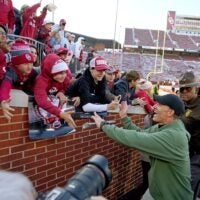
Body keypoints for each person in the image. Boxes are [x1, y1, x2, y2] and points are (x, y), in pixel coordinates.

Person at [92, 94, 193, 200]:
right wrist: (124, 117)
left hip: (172, 196)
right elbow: (139, 133)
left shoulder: (174, 136)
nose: (154, 106)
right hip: (156, 191)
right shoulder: (162, 127)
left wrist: (104, 126)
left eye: (159, 104)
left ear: (170, 112)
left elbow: (135, 138)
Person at [33, 53, 77, 128]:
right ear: (50, 71)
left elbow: (66, 88)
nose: (63, 76)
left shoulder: (65, 78)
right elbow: (41, 100)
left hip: (56, 107)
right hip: (44, 109)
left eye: (64, 72)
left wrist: (61, 92)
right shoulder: (41, 80)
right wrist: (61, 114)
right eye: (59, 73)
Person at [0, 38, 36, 120]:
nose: (29, 67)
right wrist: (4, 100)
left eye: (31, 63)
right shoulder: (11, 71)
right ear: (16, 64)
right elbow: (6, 85)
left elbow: (40, 81)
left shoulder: (32, 72)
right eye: (26, 63)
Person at [179, 71, 200, 197]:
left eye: (188, 88)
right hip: (186, 154)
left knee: (189, 187)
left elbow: (187, 122)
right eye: (182, 89)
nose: (185, 91)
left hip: (197, 156)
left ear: (195, 88)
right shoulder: (183, 105)